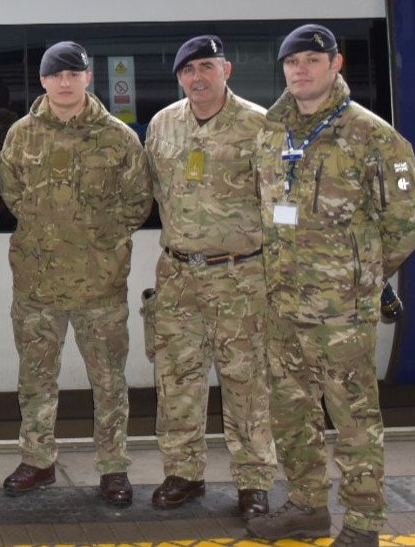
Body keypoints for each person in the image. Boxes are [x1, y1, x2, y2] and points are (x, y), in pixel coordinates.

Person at [247, 24, 415, 547]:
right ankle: (306, 508)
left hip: (341, 314)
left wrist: (361, 274)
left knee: (353, 420)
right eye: (291, 62)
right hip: (282, 305)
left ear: (336, 64)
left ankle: (364, 524)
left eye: (311, 60)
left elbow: (411, 219)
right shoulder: (273, 131)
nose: (299, 70)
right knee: (291, 414)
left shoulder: (375, 136)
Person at [0, 41, 150, 506]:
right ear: (43, 81)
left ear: (87, 79)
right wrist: (49, 231)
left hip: (99, 286)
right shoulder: (21, 135)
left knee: (108, 381)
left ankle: (113, 466)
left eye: (73, 74)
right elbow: (11, 192)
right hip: (37, 286)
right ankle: (38, 461)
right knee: (36, 378)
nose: (65, 82)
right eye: (56, 75)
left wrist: (94, 240)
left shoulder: (118, 137)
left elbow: (138, 202)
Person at [143, 36, 276, 518]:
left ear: (227, 70)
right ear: (178, 77)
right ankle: (183, 473)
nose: (197, 77)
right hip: (178, 275)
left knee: (247, 382)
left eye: (206, 67)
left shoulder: (260, 125)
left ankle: (254, 481)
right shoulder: (162, 124)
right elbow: (154, 191)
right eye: (188, 70)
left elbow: (281, 204)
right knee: (176, 379)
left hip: (241, 278)